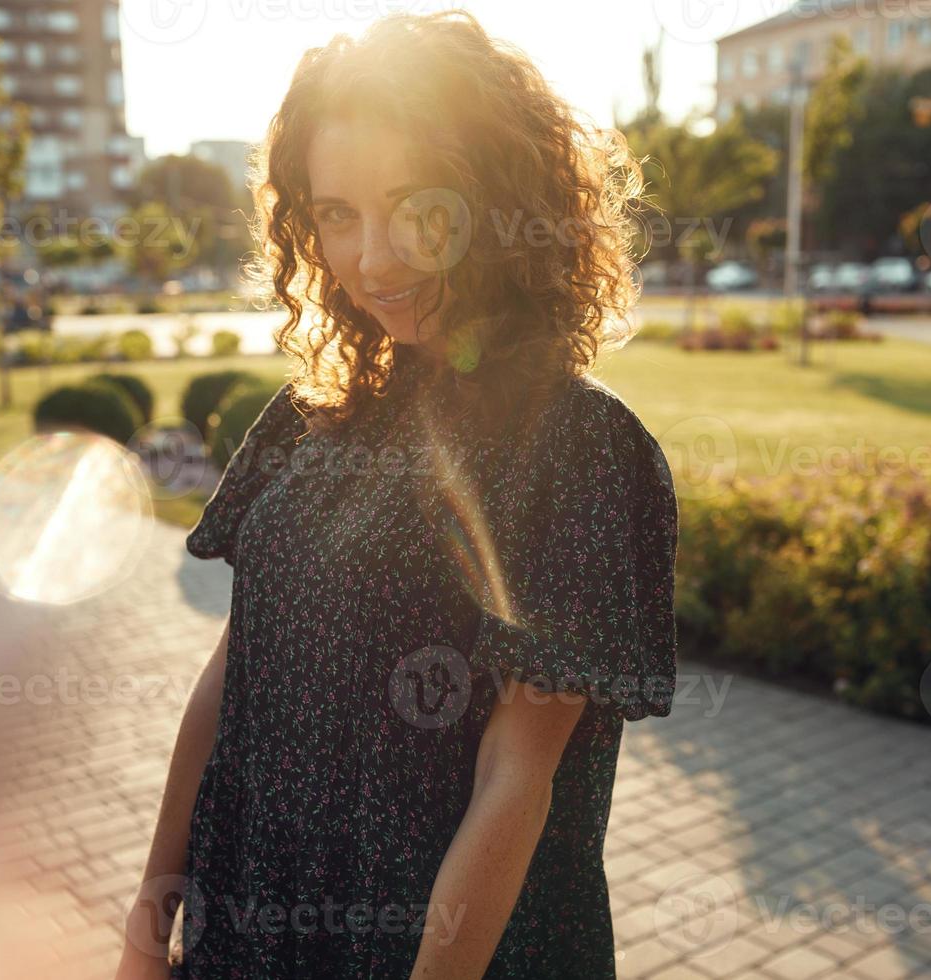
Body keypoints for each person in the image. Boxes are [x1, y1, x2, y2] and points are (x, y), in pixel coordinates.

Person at [114, 11, 678, 979]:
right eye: (336, 213)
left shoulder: (577, 443)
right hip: (255, 914)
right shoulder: (308, 415)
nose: (372, 257)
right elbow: (230, 670)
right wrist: (146, 916)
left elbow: (519, 771)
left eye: (416, 208)